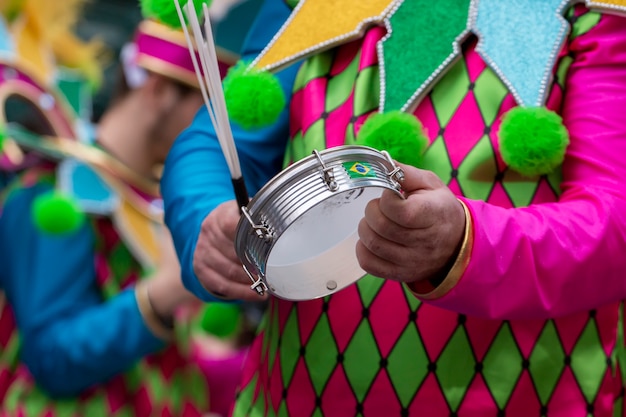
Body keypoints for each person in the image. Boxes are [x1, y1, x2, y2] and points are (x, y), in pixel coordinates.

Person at [162, 0, 626, 416]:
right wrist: (208, 217)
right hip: (289, 394)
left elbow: (614, 219)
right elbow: (218, 143)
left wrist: (466, 242)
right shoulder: (305, 5)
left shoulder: (597, 16)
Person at [0, 17, 214, 416]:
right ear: (159, 89)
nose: (217, 134)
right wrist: (166, 291)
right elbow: (52, 359)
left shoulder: (161, 203)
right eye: (206, 110)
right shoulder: (52, 194)